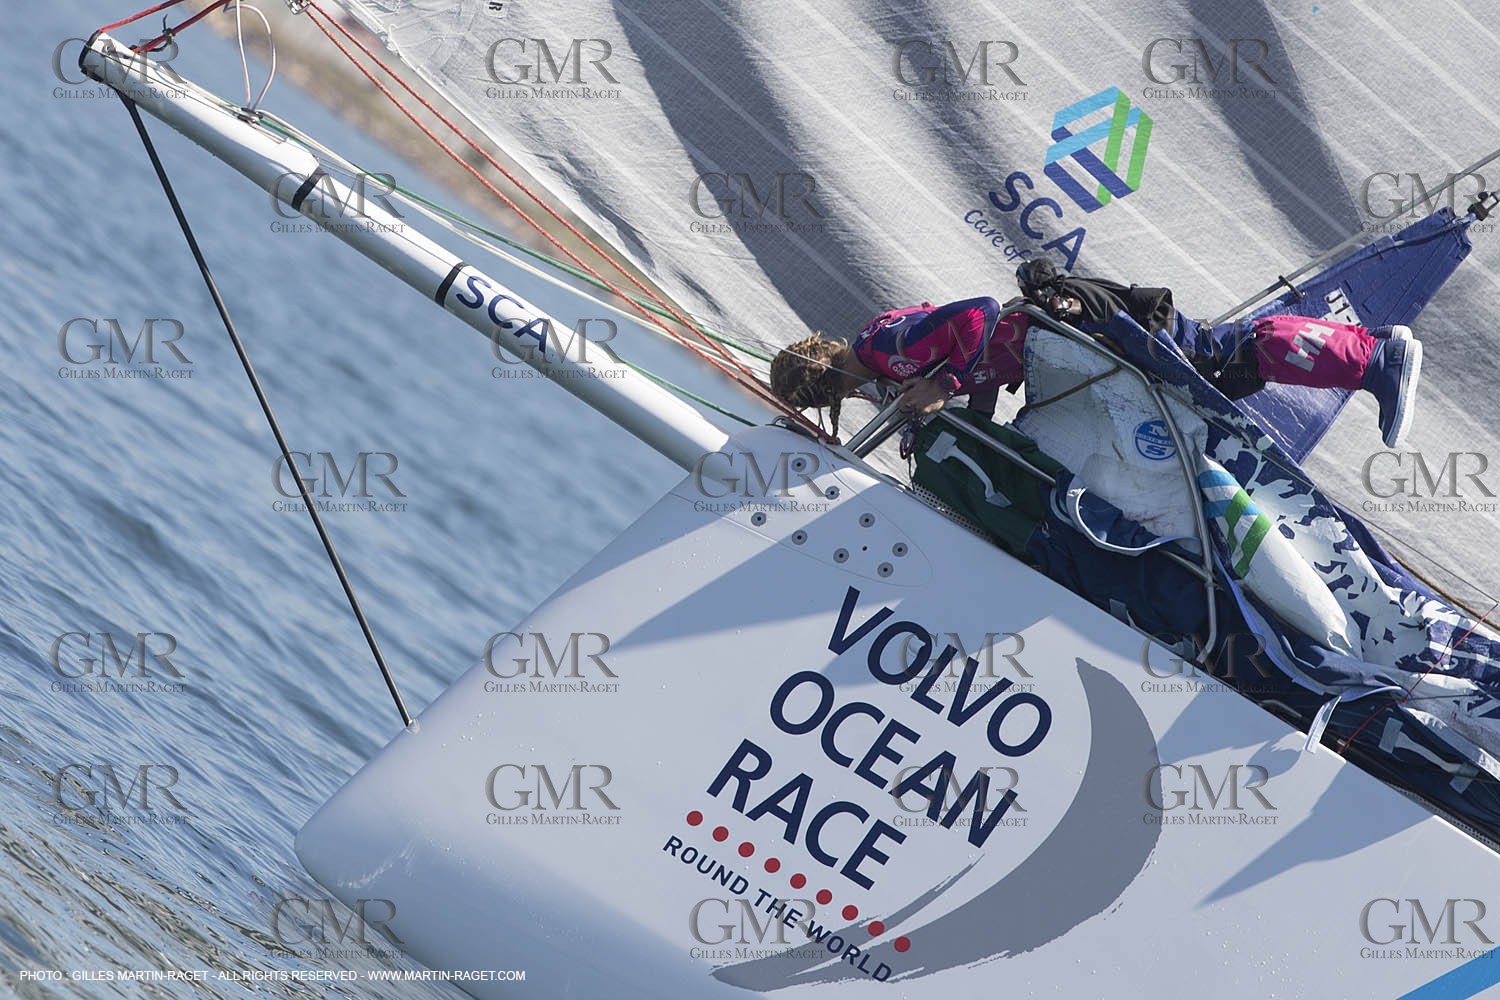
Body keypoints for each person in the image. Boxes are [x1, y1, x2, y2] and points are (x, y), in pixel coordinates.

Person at [768, 263, 1422, 447]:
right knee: (1224, 378)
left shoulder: (885, 348)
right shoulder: (882, 354)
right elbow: (976, 359)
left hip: (1078, 325)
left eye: (829, 402)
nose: (849, 405)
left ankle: (1373, 359)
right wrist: (975, 409)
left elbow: (979, 314)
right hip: (1059, 345)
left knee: (1217, 358)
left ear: (824, 387)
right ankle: (1368, 358)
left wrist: (947, 388)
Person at [1013, 258, 1422, 447]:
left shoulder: (1072, 298)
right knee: (1255, 350)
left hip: (1181, 346)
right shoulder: (1080, 290)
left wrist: (1060, 309)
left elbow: (1083, 310)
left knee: (1262, 347)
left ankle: (1379, 362)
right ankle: (1374, 342)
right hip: (1180, 347)